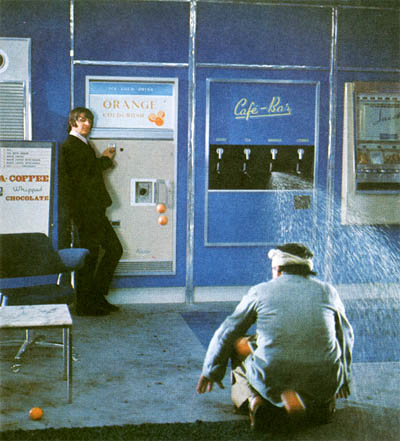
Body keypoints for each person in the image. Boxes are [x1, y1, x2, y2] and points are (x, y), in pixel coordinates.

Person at [196, 243, 354, 431]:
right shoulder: (328, 292)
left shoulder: (260, 291)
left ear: (278, 269)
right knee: (321, 362)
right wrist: (344, 377)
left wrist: (211, 370)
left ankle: (253, 400)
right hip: (322, 380)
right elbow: (345, 336)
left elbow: (228, 331)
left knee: (240, 344)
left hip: (274, 379)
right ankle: (319, 407)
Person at [60, 107, 123, 316]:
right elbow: (84, 177)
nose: (87, 123)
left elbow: (86, 171)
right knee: (92, 256)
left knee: (108, 250)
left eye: (89, 120)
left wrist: (102, 160)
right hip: (87, 212)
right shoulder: (72, 145)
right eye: (82, 120)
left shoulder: (80, 144)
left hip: (92, 211)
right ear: (72, 122)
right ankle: (86, 304)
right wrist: (105, 160)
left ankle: (95, 297)